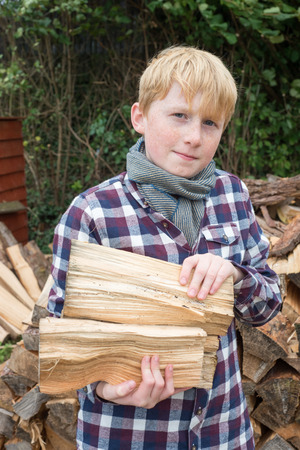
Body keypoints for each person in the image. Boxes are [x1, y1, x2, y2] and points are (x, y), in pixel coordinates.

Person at [48, 45, 282, 450]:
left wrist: (236, 276)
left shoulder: (231, 194)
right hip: (128, 433)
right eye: (179, 116)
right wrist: (105, 388)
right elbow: (59, 338)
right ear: (139, 116)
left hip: (222, 431)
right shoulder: (93, 212)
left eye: (210, 123)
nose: (194, 137)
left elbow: (268, 303)